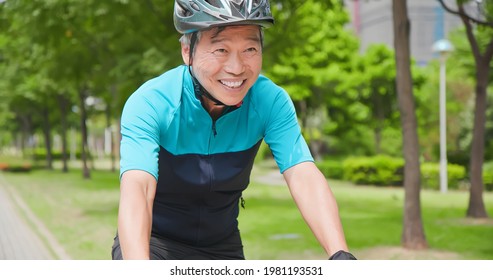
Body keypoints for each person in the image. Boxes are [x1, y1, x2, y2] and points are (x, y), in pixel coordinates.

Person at [112, 0, 356, 260]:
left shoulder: (270, 101)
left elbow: (303, 175)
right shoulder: (152, 102)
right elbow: (138, 188)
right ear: (187, 51)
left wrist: (340, 254)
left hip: (222, 246)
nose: (237, 68)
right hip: (154, 242)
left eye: (250, 48)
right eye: (220, 50)